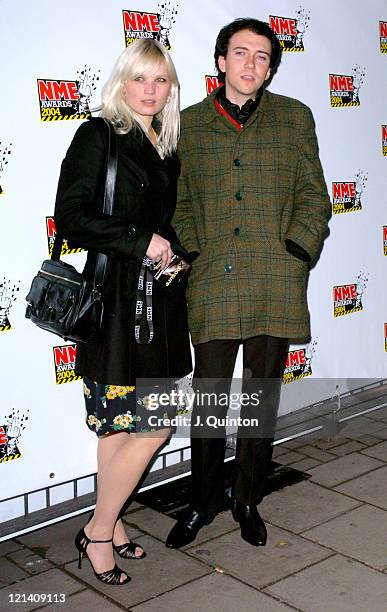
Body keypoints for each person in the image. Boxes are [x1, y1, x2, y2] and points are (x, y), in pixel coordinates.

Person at [166, 18, 331, 549]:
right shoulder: (187, 125)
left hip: (275, 280)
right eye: (241, 53)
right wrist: (195, 250)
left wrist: (296, 252)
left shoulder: (294, 118)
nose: (251, 64)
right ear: (221, 62)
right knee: (210, 400)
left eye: (262, 56)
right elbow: (180, 204)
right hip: (213, 279)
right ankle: (203, 500)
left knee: (260, 398)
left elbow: (314, 195)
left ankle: (248, 498)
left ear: (270, 66)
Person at [54, 39, 193, 585]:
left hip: (157, 302)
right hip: (114, 306)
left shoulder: (165, 143)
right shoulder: (98, 134)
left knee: (123, 431)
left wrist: (172, 254)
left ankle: (107, 526)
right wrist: (143, 243)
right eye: (140, 79)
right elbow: (71, 217)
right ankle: (98, 531)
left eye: (161, 81)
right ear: (122, 82)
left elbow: (159, 220)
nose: (151, 91)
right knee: (146, 427)